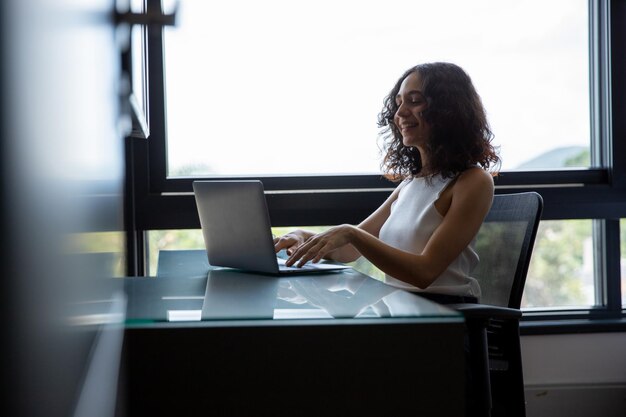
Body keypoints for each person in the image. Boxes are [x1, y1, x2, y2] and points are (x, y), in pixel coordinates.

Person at [274, 62, 500, 303]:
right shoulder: (410, 184)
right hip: (401, 312)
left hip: (446, 319)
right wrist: (302, 237)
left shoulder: (473, 181)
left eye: (414, 101)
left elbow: (424, 272)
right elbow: (348, 249)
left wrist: (351, 233)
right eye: (399, 102)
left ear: (448, 110)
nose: (400, 113)